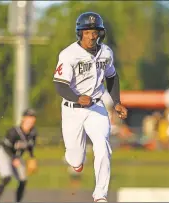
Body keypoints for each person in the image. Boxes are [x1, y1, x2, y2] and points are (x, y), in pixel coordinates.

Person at [53, 12, 128, 202]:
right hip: (72, 109)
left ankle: (100, 195)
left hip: (96, 107)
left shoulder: (106, 53)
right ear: (80, 33)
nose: (91, 36)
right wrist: (77, 97)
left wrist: (117, 102)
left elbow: (111, 77)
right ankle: (77, 163)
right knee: (75, 159)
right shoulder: (69, 54)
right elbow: (59, 85)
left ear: (100, 33)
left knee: (103, 145)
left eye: (95, 32)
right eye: (87, 32)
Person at [0, 108, 38, 202]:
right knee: (7, 177)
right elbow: (5, 146)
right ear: (23, 119)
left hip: (16, 157)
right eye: (29, 117)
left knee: (23, 180)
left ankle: (18, 201)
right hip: (4, 153)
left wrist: (32, 157)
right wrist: (13, 159)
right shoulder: (14, 132)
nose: (31, 119)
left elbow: (30, 146)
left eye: (33, 117)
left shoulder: (33, 133)